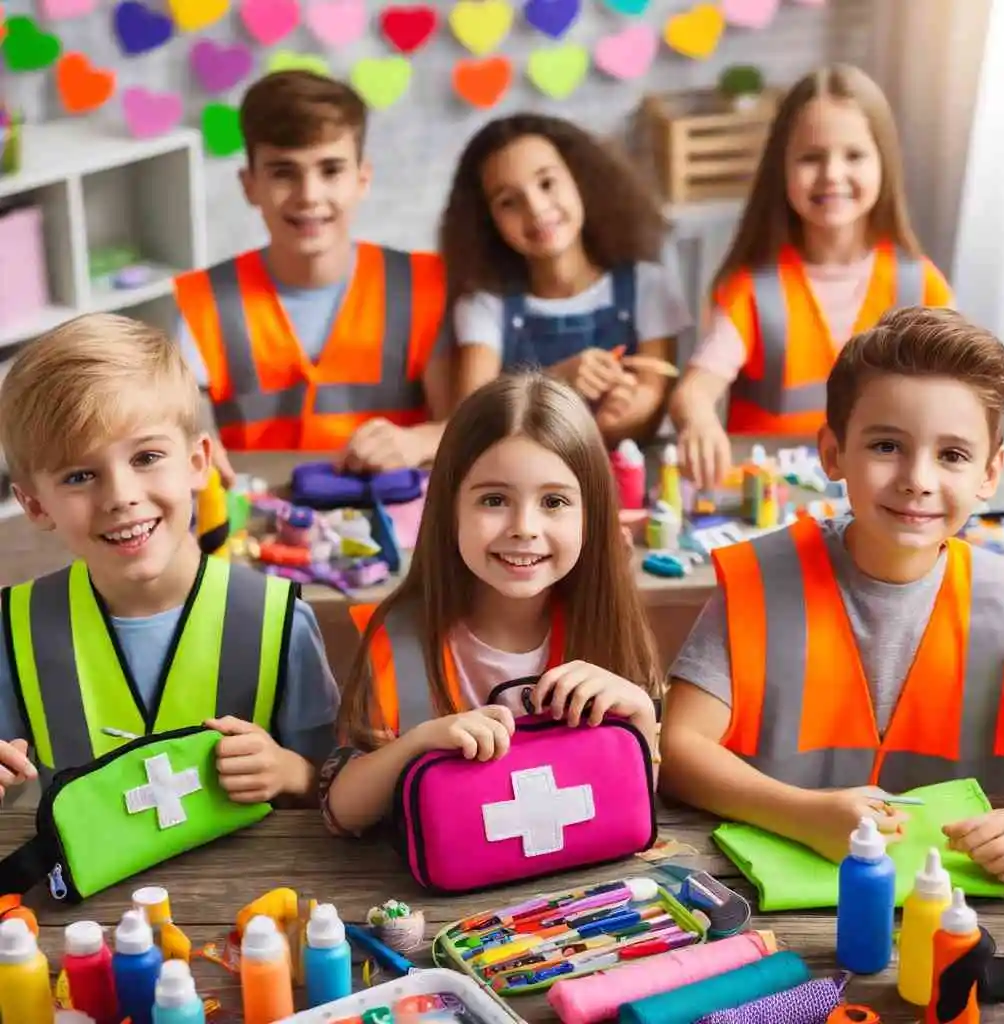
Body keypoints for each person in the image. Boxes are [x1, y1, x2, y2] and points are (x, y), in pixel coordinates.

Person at [659, 307, 1004, 882]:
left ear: (989, 473)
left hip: (966, 907)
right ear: (832, 453)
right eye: (886, 446)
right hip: (764, 898)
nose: (917, 479)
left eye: (952, 455)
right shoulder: (761, 581)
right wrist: (803, 814)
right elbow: (679, 750)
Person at [0, 314, 339, 805]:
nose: (121, 496)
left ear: (199, 462)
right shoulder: (15, 629)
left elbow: (332, 786)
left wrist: (289, 772)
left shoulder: (279, 621)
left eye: (146, 458)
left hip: (253, 879)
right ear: (34, 504)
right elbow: (13, 789)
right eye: (79, 476)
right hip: (81, 882)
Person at [321, 373, 662, 835]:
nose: (524, 526)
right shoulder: (400, 639)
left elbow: (640, 801)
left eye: (555, 501)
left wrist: (640, 714)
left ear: (592, 515)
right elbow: (341, 813)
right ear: (449, 509)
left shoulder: (607, 621)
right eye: (495, 499)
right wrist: (418, 744)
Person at [671, 64, 954, 488]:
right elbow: (694, 391)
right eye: (811, 157)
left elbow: (961, 390)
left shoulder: (920, 284)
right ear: (780, 169)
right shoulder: (753, 290)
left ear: (884, 164)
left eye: (854, 155)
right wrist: (698, 421)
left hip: (886, 496)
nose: (832, 175)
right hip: (774, 499)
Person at [174, 71, 452, 487]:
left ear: (363, 179)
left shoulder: (425, 286)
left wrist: (422, 440)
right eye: (283, 172)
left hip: (397, 520)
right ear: (249, 185)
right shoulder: (203, 304)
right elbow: (186, 433)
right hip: (261, 527)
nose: (309, 195)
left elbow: (465, 423)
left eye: (331, 170)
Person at [441, 114, 690, 446]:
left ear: (580, 181)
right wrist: (553, 383)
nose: (536, 209)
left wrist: (623, 412)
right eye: (508, 202)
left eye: (546, 183)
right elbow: (471, 417)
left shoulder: (649, 285)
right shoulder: (485, 305)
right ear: (487, 222)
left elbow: (652, 395)